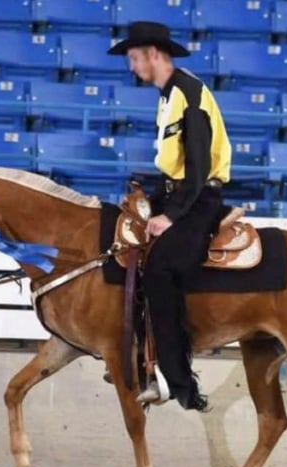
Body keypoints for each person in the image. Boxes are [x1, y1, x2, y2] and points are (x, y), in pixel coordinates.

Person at [107, 21, 232, 412]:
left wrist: (171, 216)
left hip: (197, 199)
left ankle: (176, 380)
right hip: (179, 192)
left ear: (153, 55)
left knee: (160, 268)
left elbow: (196, 169)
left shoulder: (188, 94)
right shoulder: (169, 95)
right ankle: (136, 354)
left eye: (133, 58)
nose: (131, 67)